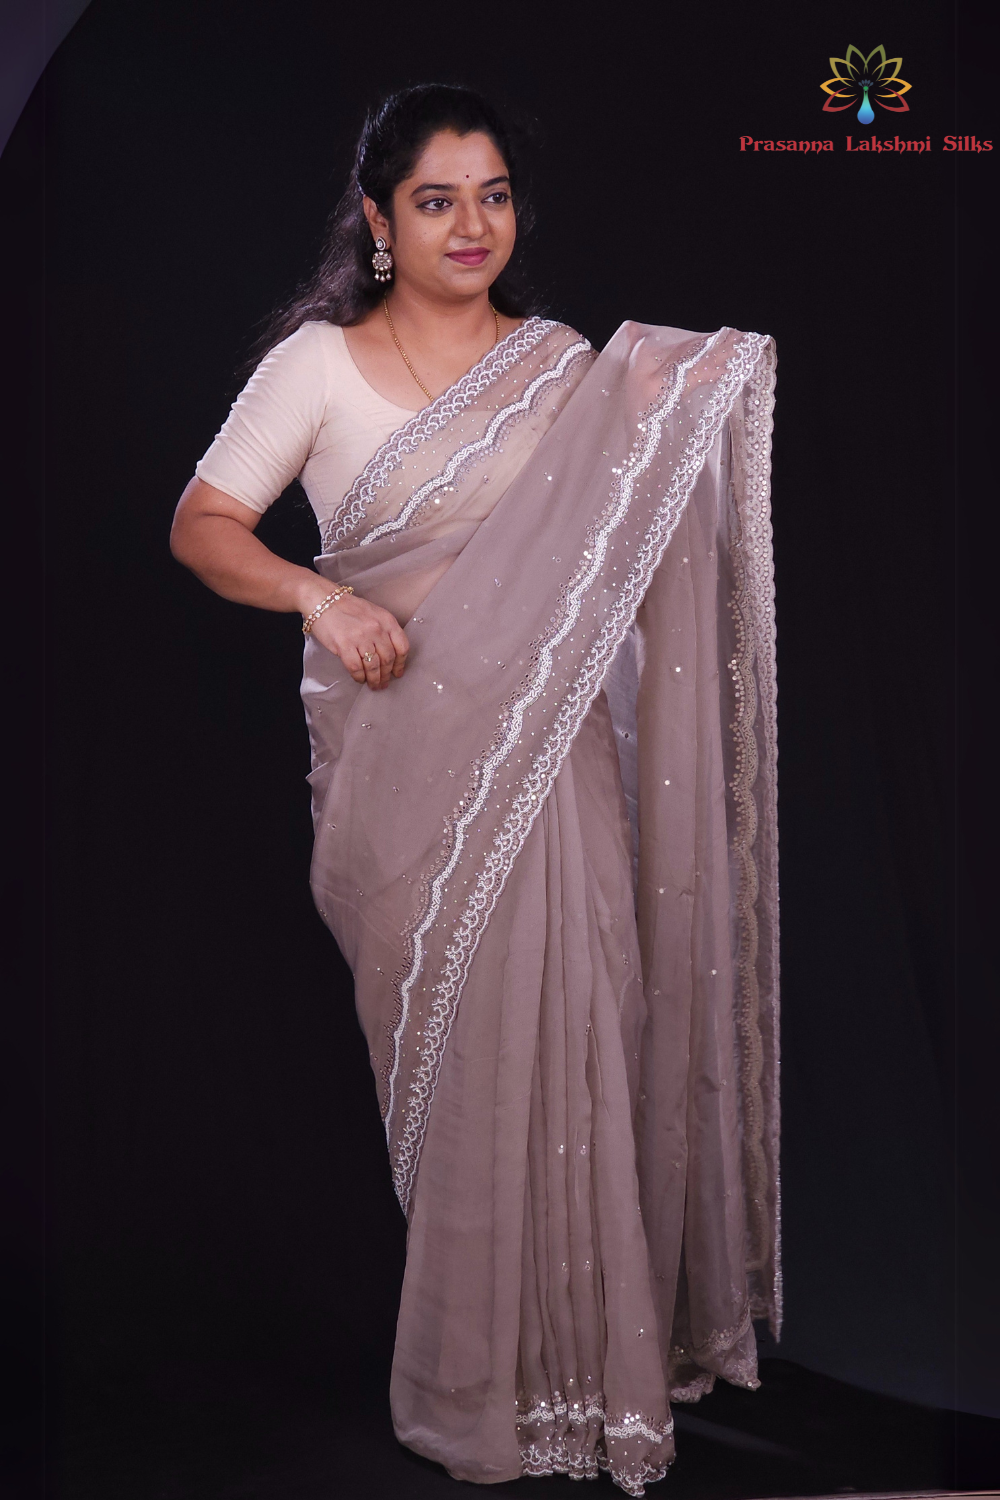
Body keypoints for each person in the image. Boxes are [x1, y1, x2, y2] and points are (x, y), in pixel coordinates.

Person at [170, 83, 780, 1498]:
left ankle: (593, 1382)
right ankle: (476, 1390)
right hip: (401, 777)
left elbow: (626, 557)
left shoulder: (564, 371)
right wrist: (322, 600)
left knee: (583, 1033)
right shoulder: (318, 367)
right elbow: (203, 525)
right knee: (466, 1078)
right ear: (379, 220)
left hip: (553, 776)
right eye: (436, 200)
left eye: (493, 196)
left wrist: (683, 415)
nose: (470, 226)